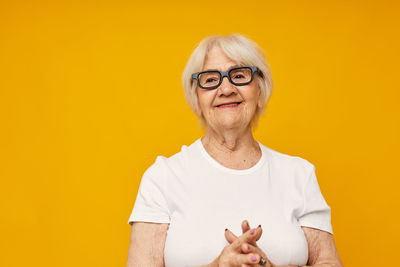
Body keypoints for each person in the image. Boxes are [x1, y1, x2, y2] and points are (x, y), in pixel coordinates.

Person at [126, 33, 344, 267]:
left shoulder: (299, 175)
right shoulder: (162, 178)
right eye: (210, 80)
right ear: (196, 98)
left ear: (260, 90)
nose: (226, 88)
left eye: (239, 75)